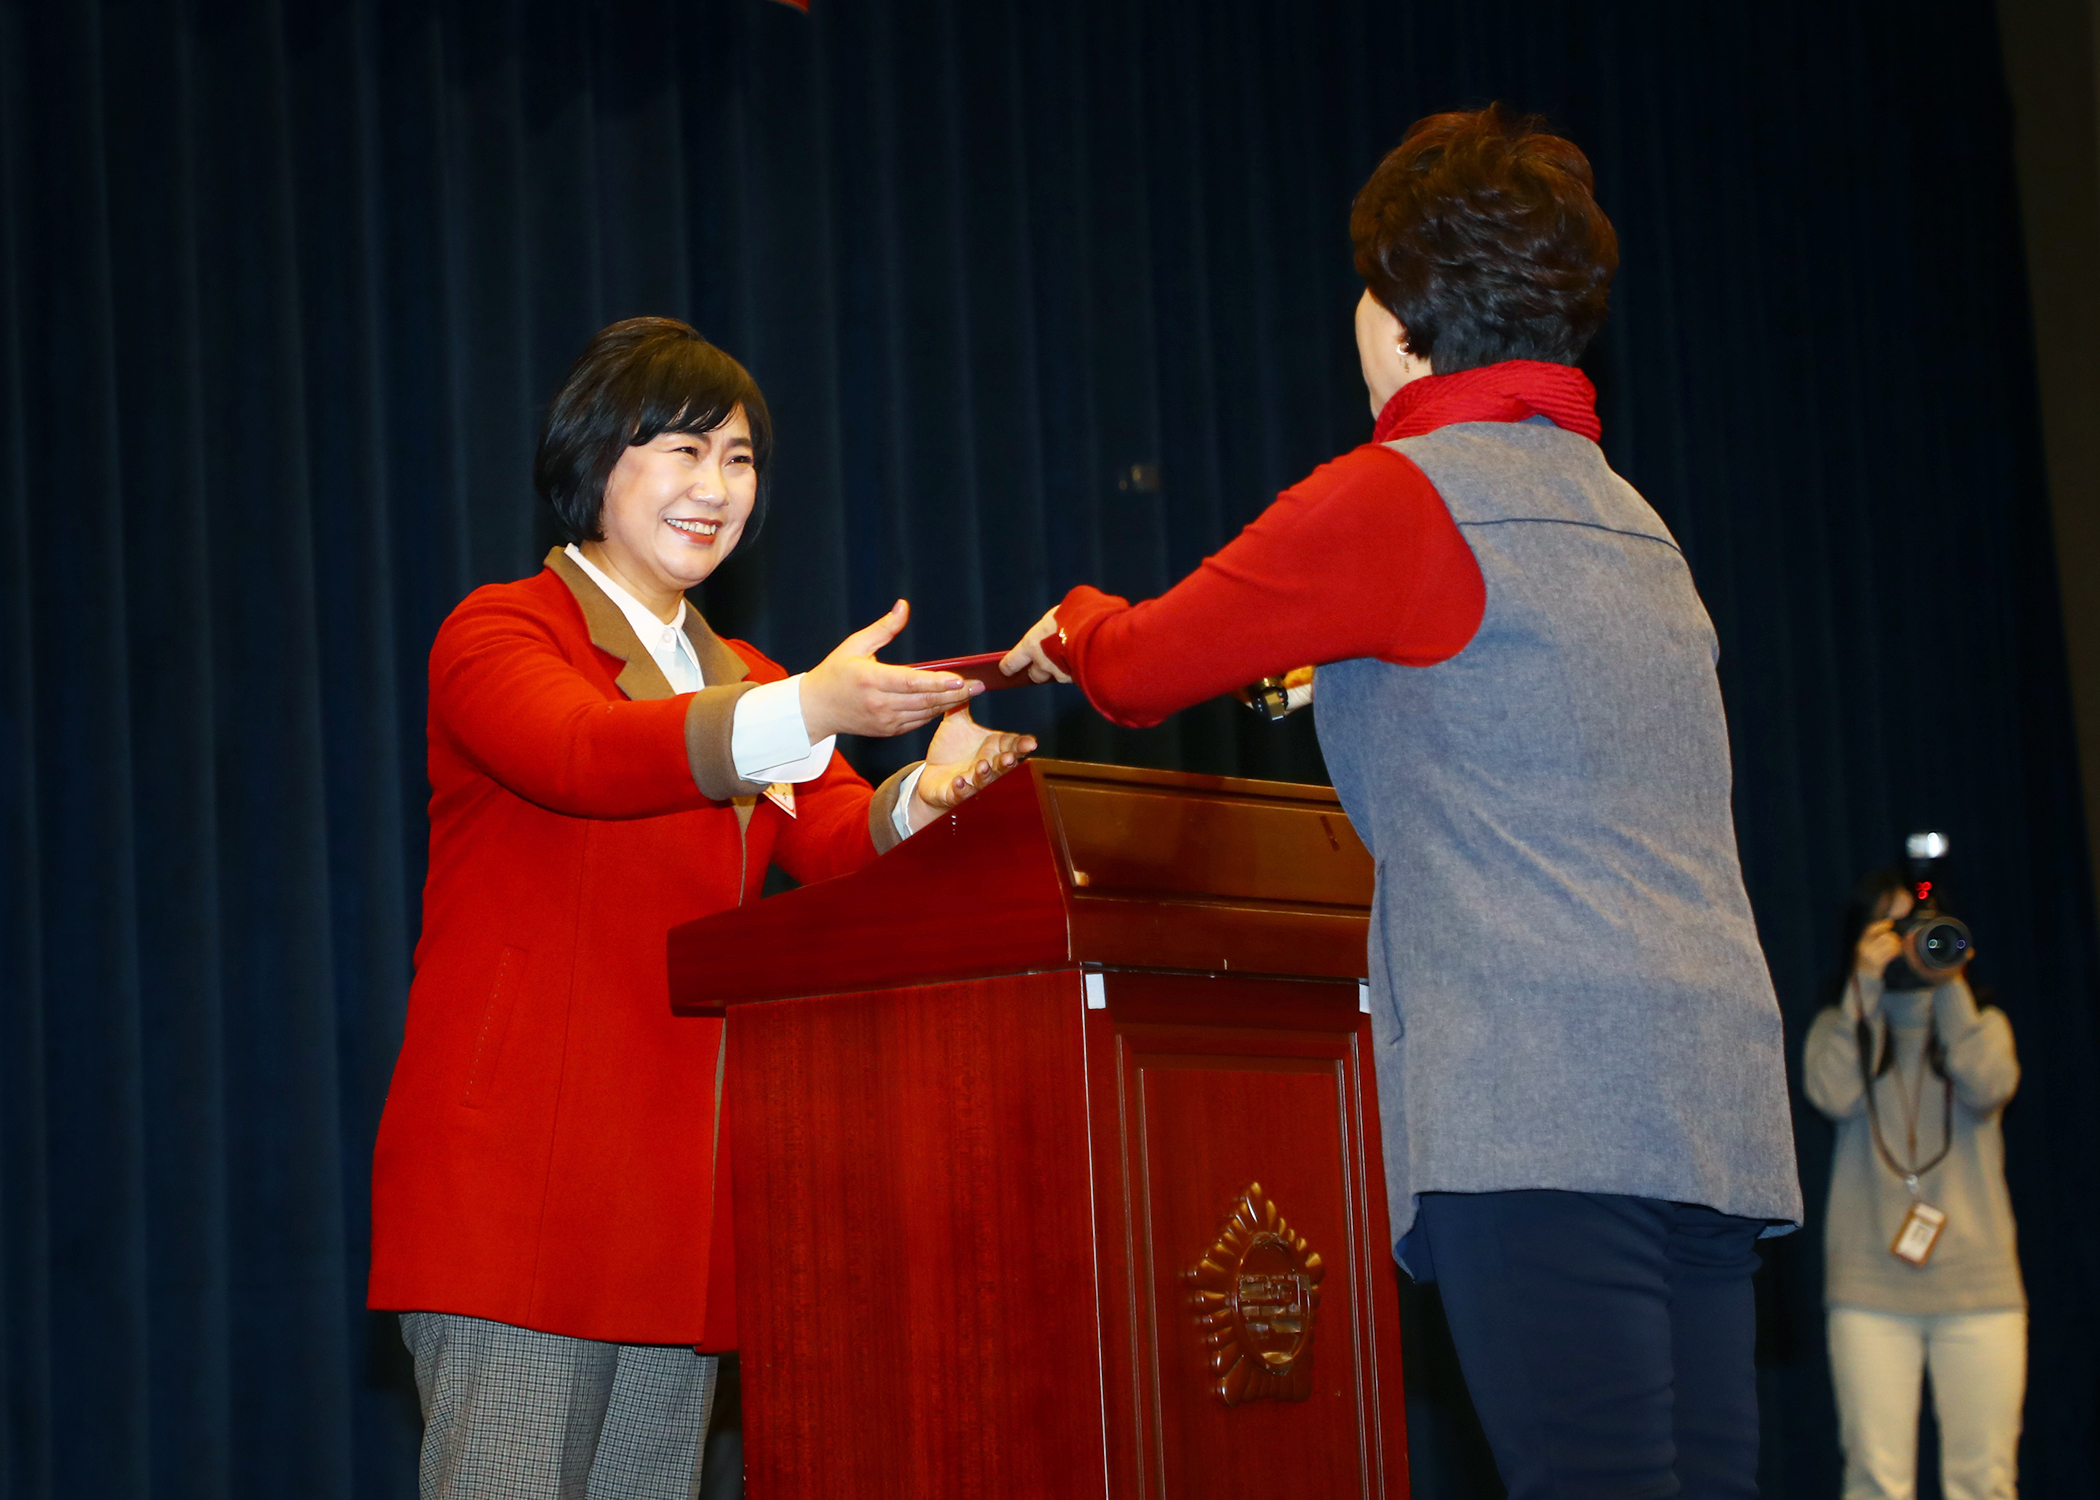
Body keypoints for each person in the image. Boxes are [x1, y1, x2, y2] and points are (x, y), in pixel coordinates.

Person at [1001, 105, 1801, 1498]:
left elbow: (1133, 670)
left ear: (1400, 312)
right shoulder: (1635, 519)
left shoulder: (1394, 495)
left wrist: (1065, 625)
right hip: (1712, 1094)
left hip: (1544, 1099)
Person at [368, 317, 1034, 1498]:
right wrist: (818, 707)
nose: (714, 488)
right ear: (593, 459)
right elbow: (584, 752)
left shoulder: (755, 679)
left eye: (738, 460)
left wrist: (928, 793)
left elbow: (832, 837)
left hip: (680, 1202)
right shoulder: (501, 631)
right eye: (679, 450)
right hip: (521, 1190)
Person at [1804, 870, 2024, 1500]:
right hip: (1869, 1290)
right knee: (1875, 1481)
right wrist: (1860, 992)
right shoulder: (1837, 1027)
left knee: (1984, 1482)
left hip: (1980, 1290)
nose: (1907, 943)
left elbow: (1990, 1084)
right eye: (1892, 928)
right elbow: (1831, 1092)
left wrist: (1947, 982)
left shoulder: (1983, 1026)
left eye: (1921, 929)